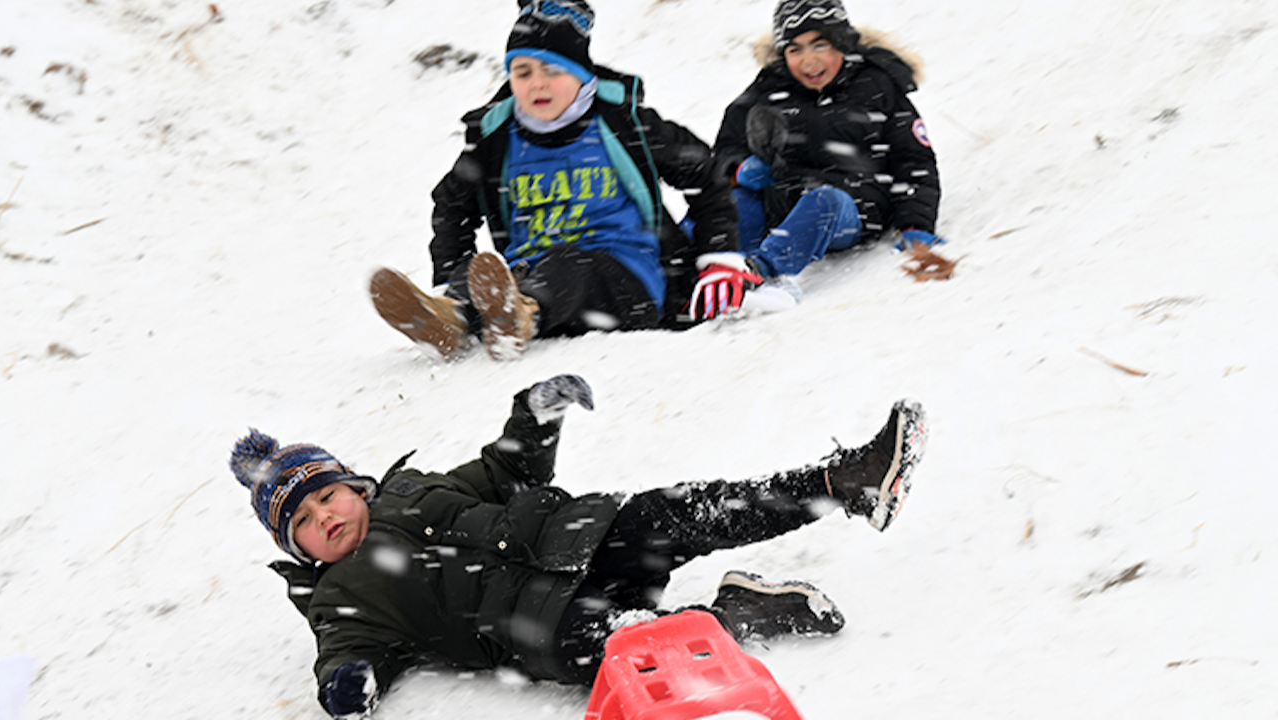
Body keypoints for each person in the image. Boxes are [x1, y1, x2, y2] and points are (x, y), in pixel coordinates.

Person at [230, 374, 928, 717]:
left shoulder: (415, 488)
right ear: (298, 549)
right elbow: (346, 653)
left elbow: (506, 470)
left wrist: (533, 417)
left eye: (325, 495)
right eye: (301, 523)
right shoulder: (341, 598)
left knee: (679, 511)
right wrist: (346, 684)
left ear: (354, 484)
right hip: (540, 627)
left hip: (581, 541)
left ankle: (847, 481)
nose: (323, 517)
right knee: (633, 645)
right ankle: (738, 613)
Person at [370, 0, 756, 362]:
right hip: (528, 275)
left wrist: (718, 255)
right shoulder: (497, 138)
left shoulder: (624, 123)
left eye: (553, 71)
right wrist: (450, 274)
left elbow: (707, 174)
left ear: (581, 73)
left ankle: (521, 318)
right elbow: (452, 205)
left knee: (566, 262)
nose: (537, 84)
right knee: (478, 277)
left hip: (628, 284)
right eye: (522, 72)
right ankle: (449, 318)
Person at [712, 0, 943, 293]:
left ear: (841, 42)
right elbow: (726, 148)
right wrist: (740, 168)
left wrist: (915, 223)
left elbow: (914, 161)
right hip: (785, 198)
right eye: (795, 49)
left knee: (823, 201)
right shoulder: (770, 88)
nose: (809, 62)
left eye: (819, 45)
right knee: (737, 203)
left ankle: (759, 273)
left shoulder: (876, 86)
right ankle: (696, 270)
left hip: (855, 206)